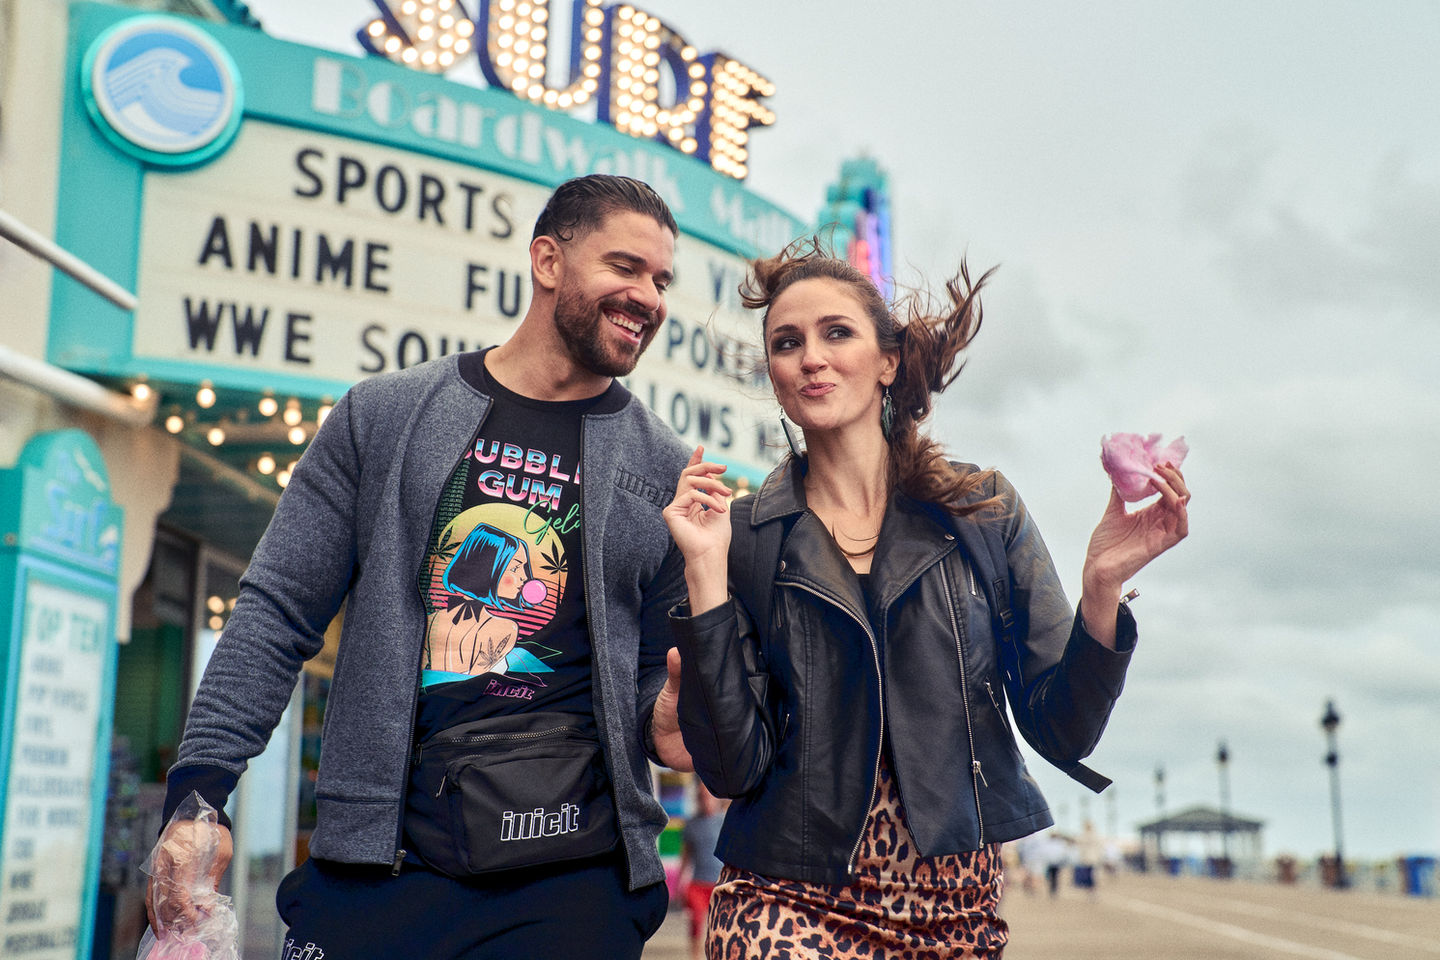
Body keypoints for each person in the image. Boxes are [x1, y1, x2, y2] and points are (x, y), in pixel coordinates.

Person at [147, 174, 697, 959]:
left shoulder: (663, 468)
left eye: (661, 280)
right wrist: (200, 793)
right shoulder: (384, 415)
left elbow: (646, 682)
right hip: (380, 866)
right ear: (547, 260)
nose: (647, 296)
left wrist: (665, 716)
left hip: (572, 881)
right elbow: (277, 610)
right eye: (625, 267)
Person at [655, 240, 1190, 957]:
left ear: (887, 361)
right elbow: (733, 769)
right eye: (787, 342)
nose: (810, 357)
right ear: (775, 377)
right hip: (786, 898)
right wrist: (705, 576)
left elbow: (1063, 730)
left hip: (954, 912)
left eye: (836, 332)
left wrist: (1100, 588)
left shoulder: (981, 510)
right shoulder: (743, 536)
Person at [678, 781, 728, 960]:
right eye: (702, 797)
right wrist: (680, 883)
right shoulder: (691, 825)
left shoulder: (725, 821)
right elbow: (686, 856)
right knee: (696, 921)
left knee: (719, 925)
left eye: (709, 797)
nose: (706, 800)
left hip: (720, 883)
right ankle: (695, 957)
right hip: (698, 882)